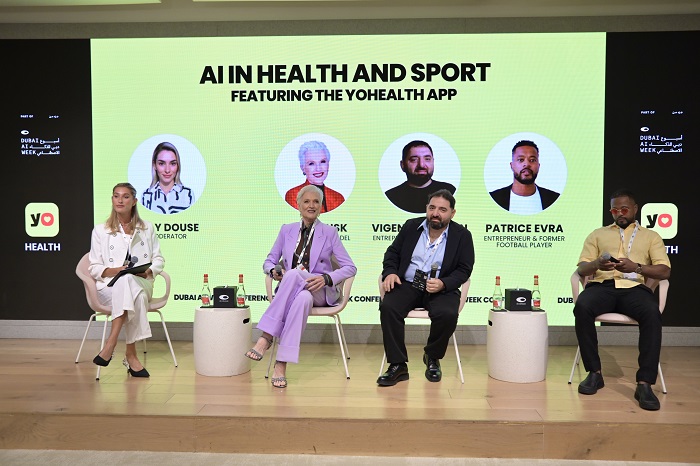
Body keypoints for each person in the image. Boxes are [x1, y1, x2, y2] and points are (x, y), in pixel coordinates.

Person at [247, 184, 357, 388]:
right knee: (301, 298)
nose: (311, 205)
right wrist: (273, 271)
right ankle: (281, 364)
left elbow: (350, 267)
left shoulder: (330, 232)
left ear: (321, 206)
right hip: (295, 292)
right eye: (306, 201)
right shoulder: (286, 230)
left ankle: (266, 336)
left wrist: (326, 278)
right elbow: (269, 261)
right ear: (298, 205)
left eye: (316, 202)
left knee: (293, 275)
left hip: (319, 291)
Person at [573, 188, 671, 410]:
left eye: (624, 209)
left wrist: (637, 267)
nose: (619, 213)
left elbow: (664, 271)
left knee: (652, 313)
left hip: (634, 289)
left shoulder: (651, 236)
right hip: (602, 286)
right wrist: (597, 264)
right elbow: (581, 269)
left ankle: (644, 383)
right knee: (582, 306)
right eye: (614, 210)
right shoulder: (597, 234)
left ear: (635, 209)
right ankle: (594, 373)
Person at [377, 189, 474, 386]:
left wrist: (444, 283)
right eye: (432, 208)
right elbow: (392, 253)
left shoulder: (462, 235)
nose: (435, 213)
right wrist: (391, 272)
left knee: (447, 313)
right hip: (408, 284)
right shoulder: (411, 226)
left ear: (452, 213)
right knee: (389, 307)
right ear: (426, 208)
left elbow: (464, 269)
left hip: (441, 287)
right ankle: (397, 365)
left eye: (442, 210)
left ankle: (432, 357)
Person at [90, 182, 165, 378]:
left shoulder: (147, 228)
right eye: (116, 196)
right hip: (109, 286)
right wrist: (117, 270)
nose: (120, 200)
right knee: (130, 287)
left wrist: (147, 271)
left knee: (129, 281)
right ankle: (131, 355)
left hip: (142, 281)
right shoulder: (100, 230)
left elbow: (158, 259)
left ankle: (110, 344)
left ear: (134, 201)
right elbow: (94, 267)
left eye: (125, 197)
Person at [384, 140, 456, 214]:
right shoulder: (391, 196)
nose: (421, 165)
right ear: (402, 165)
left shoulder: (450, 190)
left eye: (427, 159)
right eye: (414, 160)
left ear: (433, 162)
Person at [489, 140, 560, 214]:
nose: (527, 164)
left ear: (538, 166)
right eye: (521, 160)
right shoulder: (493, 199)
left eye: (532, 160)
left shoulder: (555, 199)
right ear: (512, 166)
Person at [284, 140, 345, 213]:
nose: (318, 168)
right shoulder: (293, 195)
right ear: (303, 168)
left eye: (322, 162)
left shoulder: (338, 198)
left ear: (328, 164)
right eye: (311, 163)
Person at [141, 141, 195, 214]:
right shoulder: (146, 196)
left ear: (178, 165)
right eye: (161, 163)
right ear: (154, 165)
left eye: (173, 163)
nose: (167, 170)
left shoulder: (188, 195)